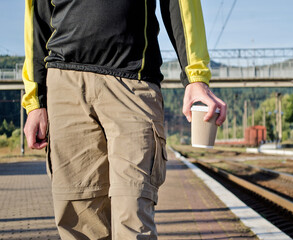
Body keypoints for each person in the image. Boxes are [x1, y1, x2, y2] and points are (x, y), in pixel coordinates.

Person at [22, 0, 227, 239]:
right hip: (64, 82)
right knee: (78, 218)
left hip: (132, 80)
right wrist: (35, 102)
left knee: (133, 211)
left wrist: (195, 77)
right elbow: (36, 17)